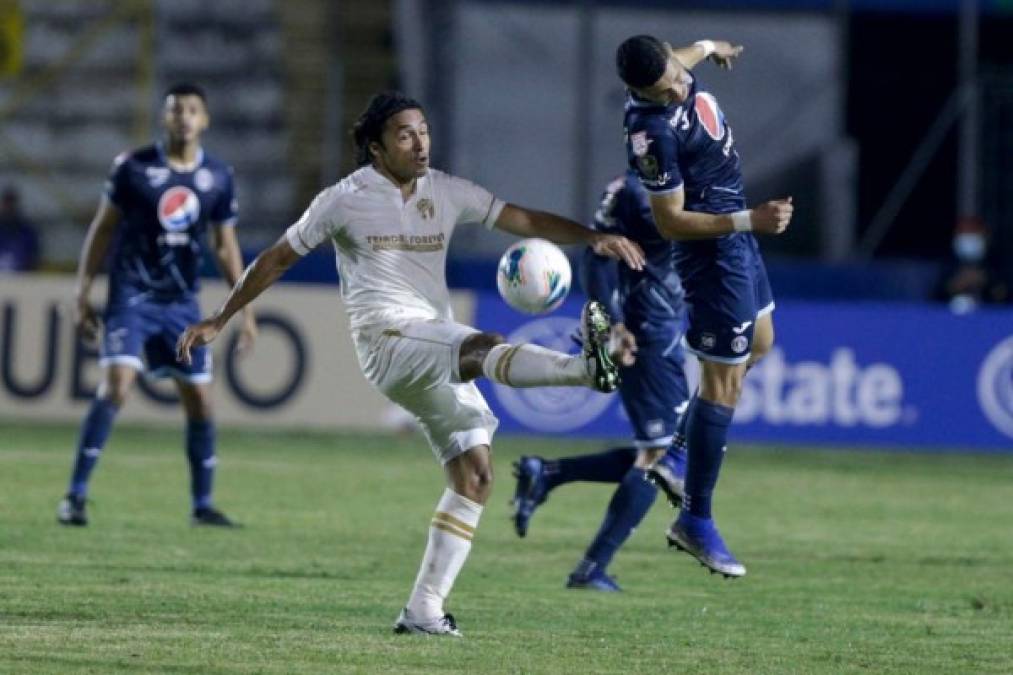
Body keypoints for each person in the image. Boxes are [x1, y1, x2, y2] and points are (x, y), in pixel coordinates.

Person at [175, 91, 645, 636]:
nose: (420, 142)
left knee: (476, 474)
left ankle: (423, 610)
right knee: (479, 345)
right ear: (376, 148)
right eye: (404, 134)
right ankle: (585, 370)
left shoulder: (445, 191)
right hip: (385, 339)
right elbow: (276, 258)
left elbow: (519, 217)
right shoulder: (343, 200)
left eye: (423, 130)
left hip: (431, 336)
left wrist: (594, 237)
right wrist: (221, 317)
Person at [615, 35, 794, 578]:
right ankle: (695, 520)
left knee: (761, 344)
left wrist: (710, 45)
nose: (674, 90)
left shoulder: (675, 66)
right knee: (724, 383)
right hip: (714, 255)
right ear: (637, 91)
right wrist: (749, 220)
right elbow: (669, 222)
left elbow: (686, 57)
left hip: (739, 243)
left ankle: (673, 454)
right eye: (660, 90)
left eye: (674, 76)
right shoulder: (651, 133)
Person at [57, 83, 256, 528]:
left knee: (201, 401)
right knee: (117, 386)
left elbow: (226, 248)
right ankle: (74, 496)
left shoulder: (219, 177)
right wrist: (81, 292)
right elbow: (102, 229)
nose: (183, 117)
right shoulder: (132, 168)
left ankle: (202, 506)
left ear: (204, 120)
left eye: (191, 110)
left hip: (182, 302)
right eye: (175, 110)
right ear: (164, 118)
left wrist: (245, 311)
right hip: (132, 294)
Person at [511, 170, 690, 591]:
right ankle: (591, 568)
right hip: (645, 334)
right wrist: (612, 325)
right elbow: (598, 252)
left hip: (659, 328)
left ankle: (549, 473)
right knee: (662, 457)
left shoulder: (639, 184)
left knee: (668, 453)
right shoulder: (640, 190)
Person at [0, 185, 41, 272]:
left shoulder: (27, 231)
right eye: (6, 203)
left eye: (11, 203)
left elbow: (34, 257)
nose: (9, 207)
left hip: (21, 278)